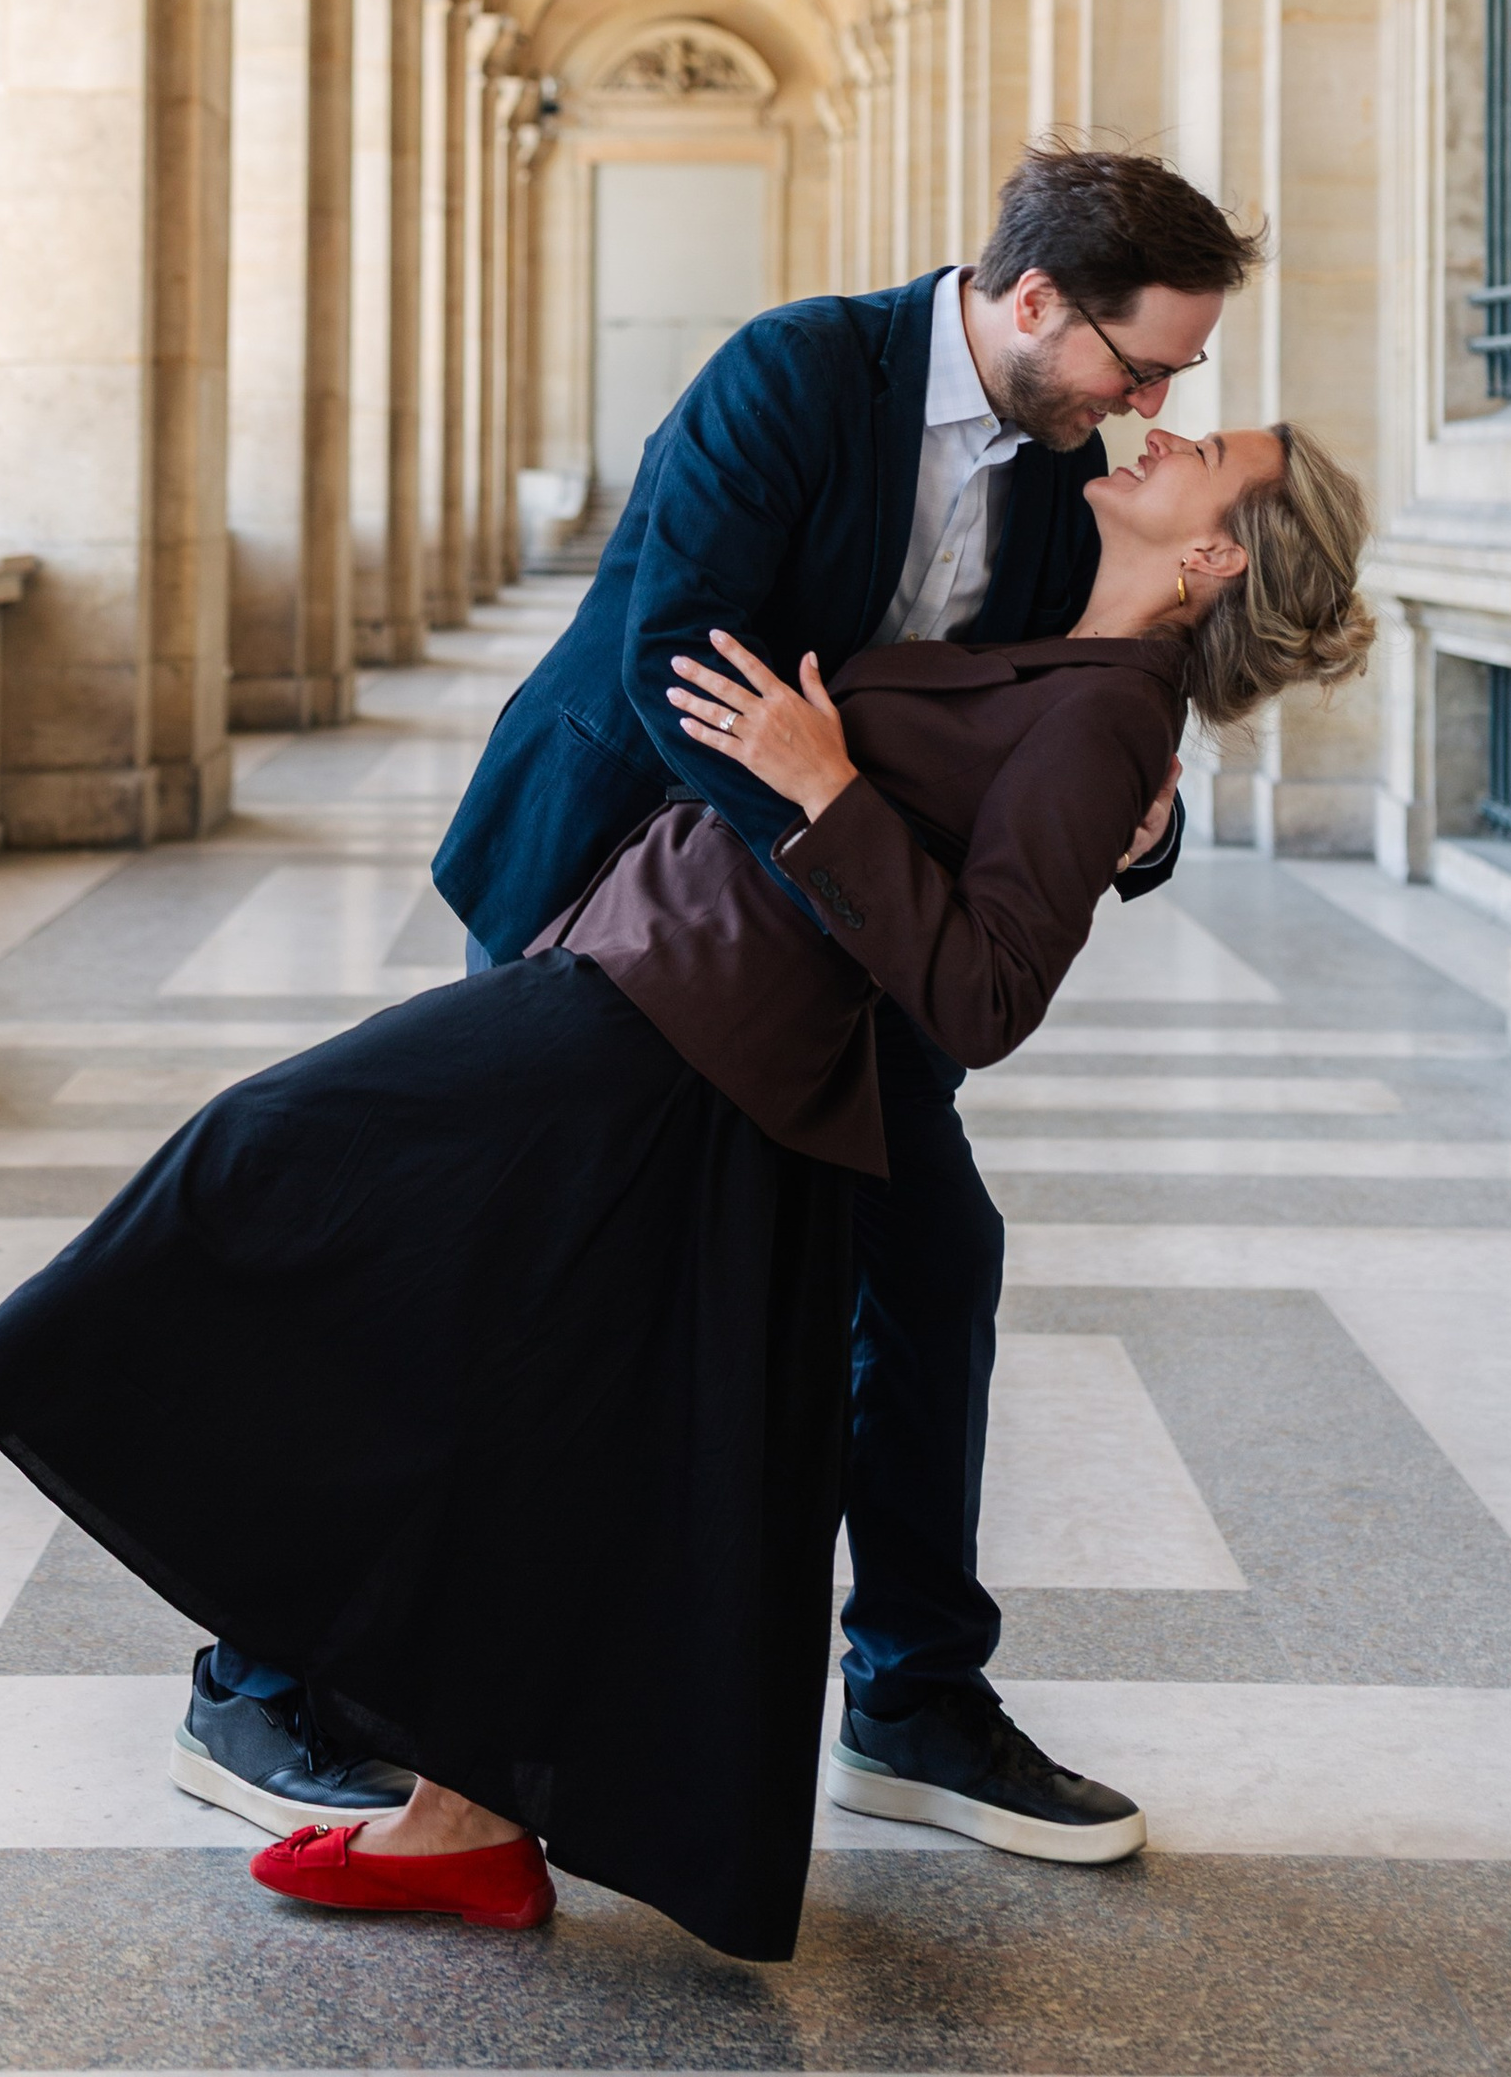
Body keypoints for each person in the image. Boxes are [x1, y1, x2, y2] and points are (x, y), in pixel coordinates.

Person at [0, 413, 1373, 1959]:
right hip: (636, 994)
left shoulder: (1110, 713)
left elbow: (983, 996)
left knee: (252, 1167)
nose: (1162, 432)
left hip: (668, 1043)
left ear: (1211, 551)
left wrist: (825, 785)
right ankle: (466, 1821)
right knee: (555, 1420)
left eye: (1206, 451)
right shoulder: (1072, 646)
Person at [200, 139, 1263, 1864]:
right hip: (616, 892)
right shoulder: (798, 370)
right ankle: (262, 1677)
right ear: (1035, 298)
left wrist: (1134, 831)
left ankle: (915, 1698)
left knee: (931, 1265)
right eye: (1142, 363)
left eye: (1179, 382)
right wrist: (835, 843)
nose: (1154, 406)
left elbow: (1050, 712)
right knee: (515, 1289)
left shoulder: (1072, 466)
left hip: (824, 940)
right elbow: (675, 657)